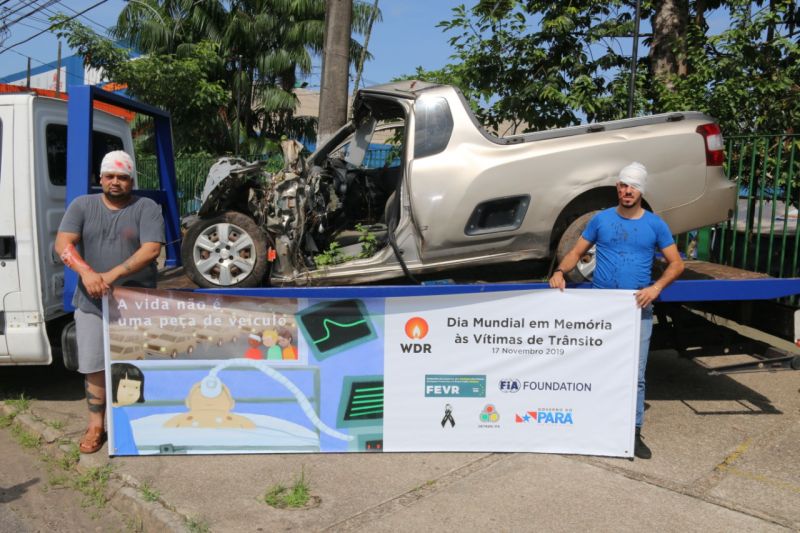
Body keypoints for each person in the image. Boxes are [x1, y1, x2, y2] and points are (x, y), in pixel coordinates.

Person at [549, 162, 684, 460]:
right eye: (623, 185)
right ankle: (592, 425)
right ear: (617, 188)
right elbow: (576, 252)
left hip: (637, 309)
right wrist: (559, 272)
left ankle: (632, 433)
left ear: (641, 190)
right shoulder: (601, 220)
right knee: (597, 368)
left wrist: (656, 288)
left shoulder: (655, 225)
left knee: (635, 374)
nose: (627, 191)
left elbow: (677, 264)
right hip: (604, 310)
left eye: (633, 186)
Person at [55, 150, 164, 454]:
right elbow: (63, 243)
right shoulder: (82, 205)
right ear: (101, 178)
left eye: (123, 177)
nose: (116, 182)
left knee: (136, 364)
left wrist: (110, 276)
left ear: (132, 180)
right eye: (110, 176)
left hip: (135, 302)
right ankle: (95, 426)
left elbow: (151, 249)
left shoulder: (146, 207)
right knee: (93, 364)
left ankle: (137, 423)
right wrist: (87, 273)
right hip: (91, 301)